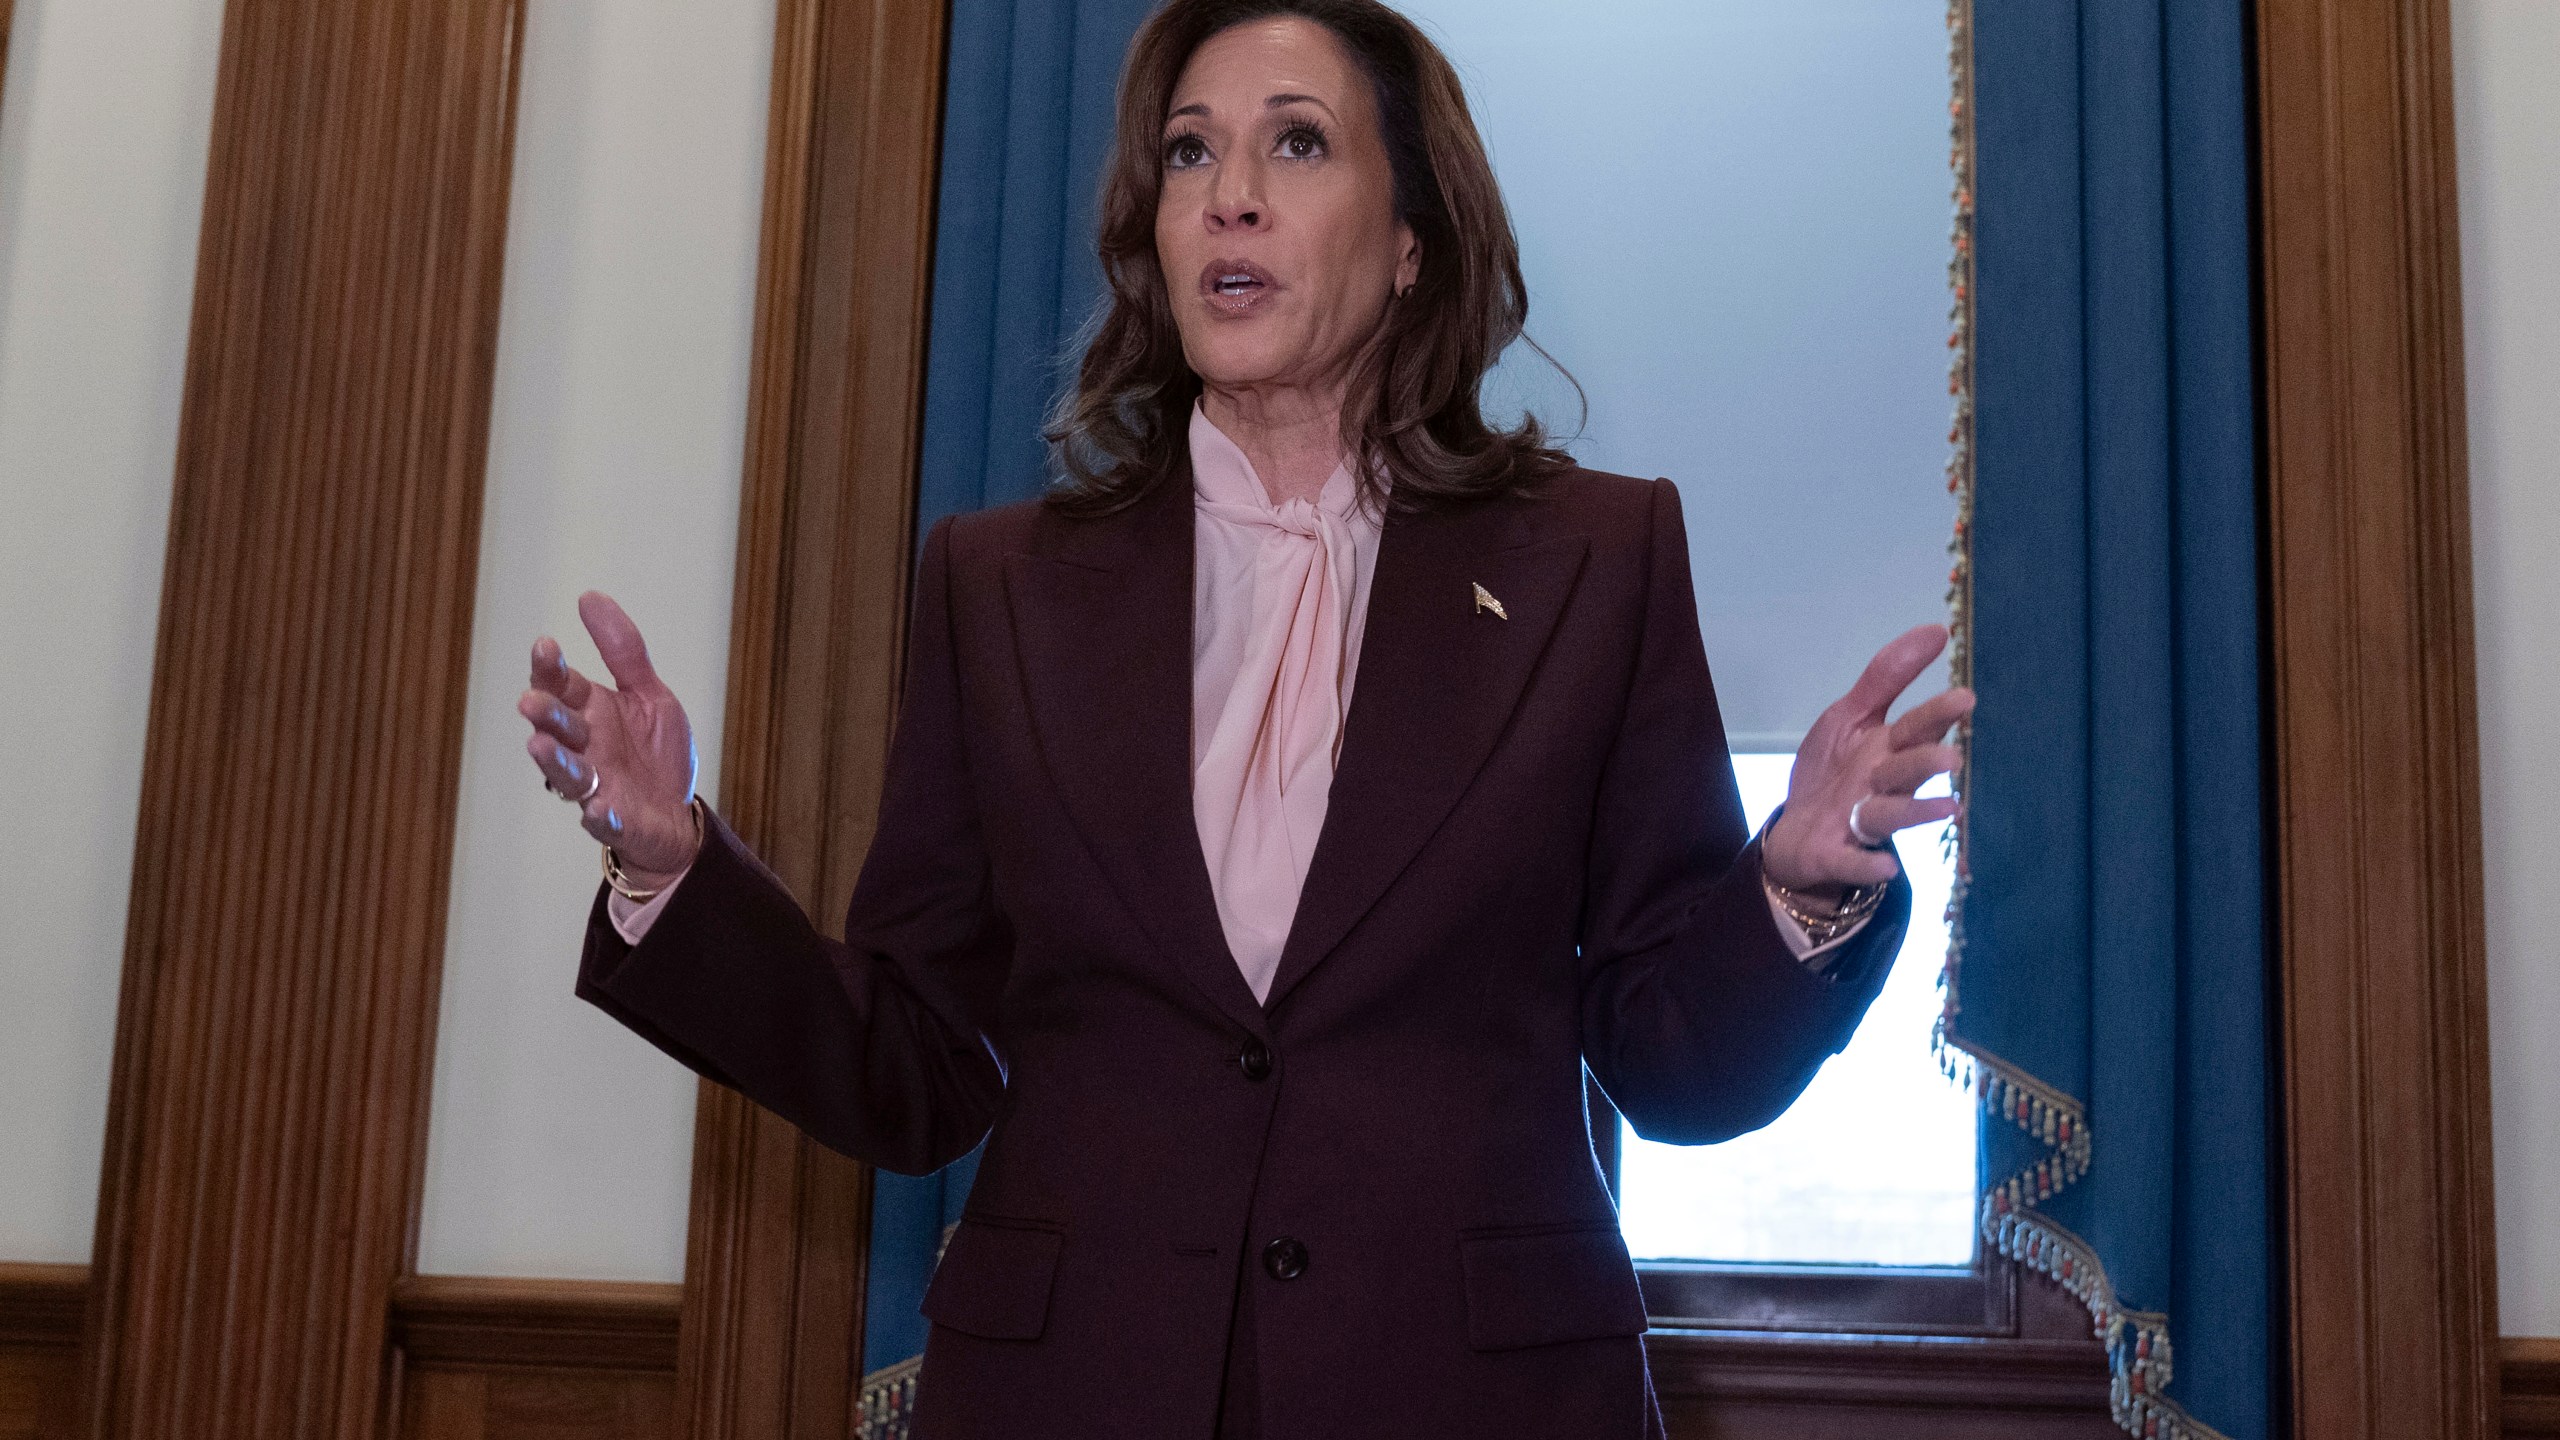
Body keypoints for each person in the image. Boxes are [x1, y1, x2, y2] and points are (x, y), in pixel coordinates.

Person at [517, 1, 1971, 1435]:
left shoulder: (1598, 561)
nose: (1234, 199)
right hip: (1075, 1390)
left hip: (1473, 1397)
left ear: (1412, 242)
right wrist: (674, 870)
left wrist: (1790, 889)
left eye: (1298, 143)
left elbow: (1671, 1058)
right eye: (1192, 155)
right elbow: (920, 1063)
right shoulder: (998, 583)